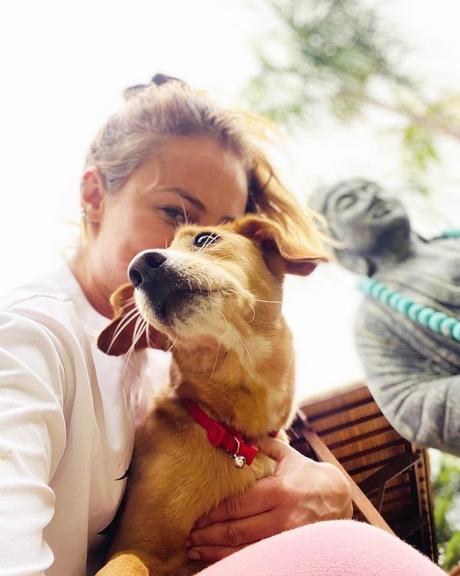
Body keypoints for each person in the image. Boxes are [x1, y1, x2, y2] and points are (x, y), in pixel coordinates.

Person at [0, 79, 445, 576]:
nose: (171, 254)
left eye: (214, 234)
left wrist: (331, 490)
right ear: (94, 196)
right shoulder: (24, 341)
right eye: (172, 212)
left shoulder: (167, 372)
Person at [310, 178, 460, 456]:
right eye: (349, 202)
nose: (373, 198)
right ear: (336, 240)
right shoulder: (375, 319)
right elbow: (407, 404)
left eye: (373, 189)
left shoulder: (452, 242)